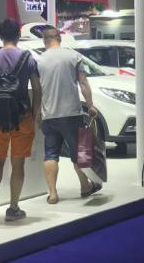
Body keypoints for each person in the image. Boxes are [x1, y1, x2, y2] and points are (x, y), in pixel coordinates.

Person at [0, 19, 41, 222]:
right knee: (18, 164)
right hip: (22, 117)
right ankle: (13, 208)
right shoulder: (28, 58)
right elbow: (38, 89)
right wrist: (35, 114)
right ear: (18, 35)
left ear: (0, 36)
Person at [37, 27, 100, 204]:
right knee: (79, 153)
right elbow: (83, 83)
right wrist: (90, 105)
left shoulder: (39, 60)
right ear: (59, 38)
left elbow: (37, 90)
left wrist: (38, 113)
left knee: (50, 154)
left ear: (44, 41)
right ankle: (85, 186)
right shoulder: (73, 56)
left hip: (49, 114)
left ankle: (53, 194)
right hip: (72, 113)